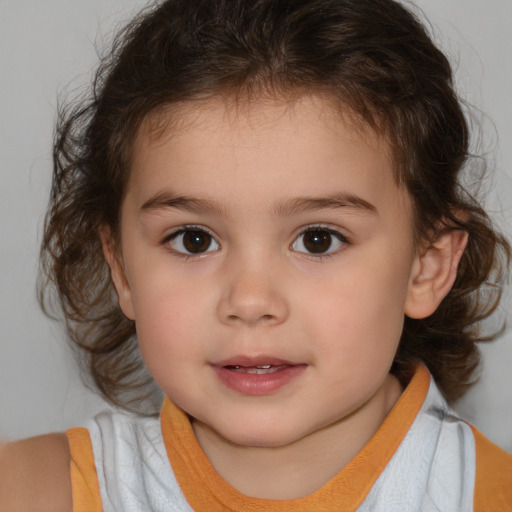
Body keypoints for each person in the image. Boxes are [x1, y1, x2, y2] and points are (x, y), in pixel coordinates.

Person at [1, 0, 511, 510]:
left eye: (318, 239)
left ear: (427, 265)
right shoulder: (33, 491)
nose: (249, 300)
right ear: (122, 269)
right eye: (193, 239)